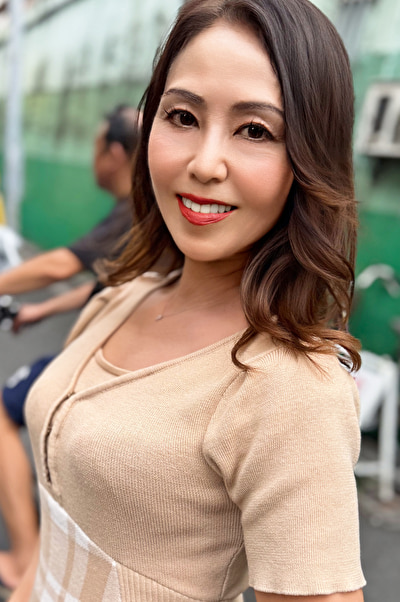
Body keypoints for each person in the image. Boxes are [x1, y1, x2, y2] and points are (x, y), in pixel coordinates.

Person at [12, 0, 366, 600]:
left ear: (309, 158)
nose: (204, 164)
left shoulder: (290, 387)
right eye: (182, 116)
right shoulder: (122, 299)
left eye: (255, 131)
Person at [0, 104, 142, 591]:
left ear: (115, 153)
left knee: (4, 411)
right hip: (113, 354)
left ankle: (23, 555)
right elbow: (110, 282)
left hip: (101, 361)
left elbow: (59, 264)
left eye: (95, 145)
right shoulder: (144, 210)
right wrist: (44, 309)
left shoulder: (137, 207)